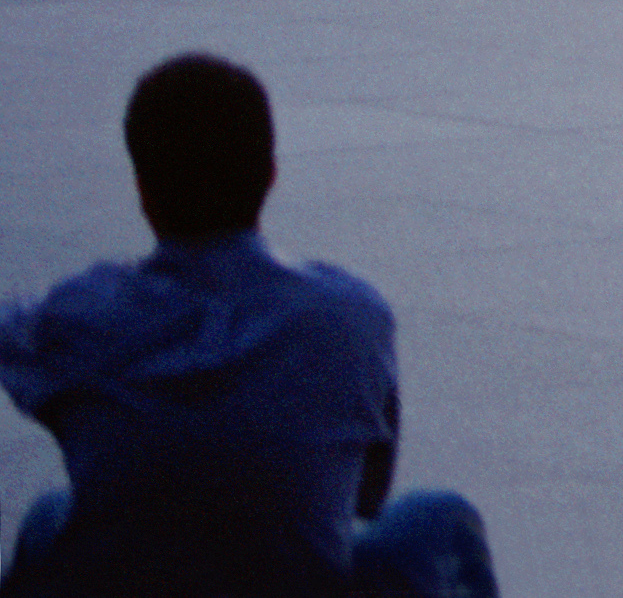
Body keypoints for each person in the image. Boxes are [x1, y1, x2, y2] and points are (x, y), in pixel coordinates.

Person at [2, 54, 498, 596]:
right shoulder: (351, 315)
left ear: (142, 188)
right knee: (437, 518)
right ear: (270, 174)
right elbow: (368, 498)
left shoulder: (79, 320)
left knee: (50, 519)